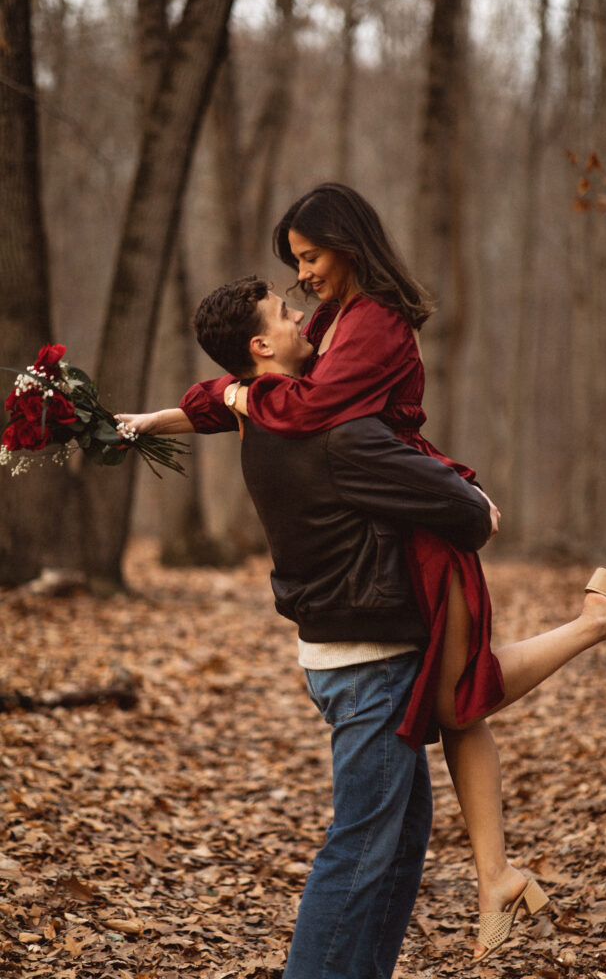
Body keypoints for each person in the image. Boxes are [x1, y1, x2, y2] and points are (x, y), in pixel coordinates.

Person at [118, 186, 606, 965]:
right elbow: (252, 396)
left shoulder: (366, 326)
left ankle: (503, 854)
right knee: (427, 753)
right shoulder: (321, 337)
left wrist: (461, 498)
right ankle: (590, 633)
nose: (301, 283)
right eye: (294, 273)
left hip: (403, 525)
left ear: (347, 244)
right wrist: (161, 417)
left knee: (446, 727)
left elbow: (305, 408)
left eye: (309, 258)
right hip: (377, 577)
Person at [182, 274, 496, 979]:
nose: (306, 320)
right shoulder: (336, 435)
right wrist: (470, 497)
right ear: (261, 345)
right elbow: (468, 518)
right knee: (360, 851)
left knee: (396, 845)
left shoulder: (256, 412)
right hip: (370, 667)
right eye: (288, 314)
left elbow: (212, 398)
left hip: (342, 656)